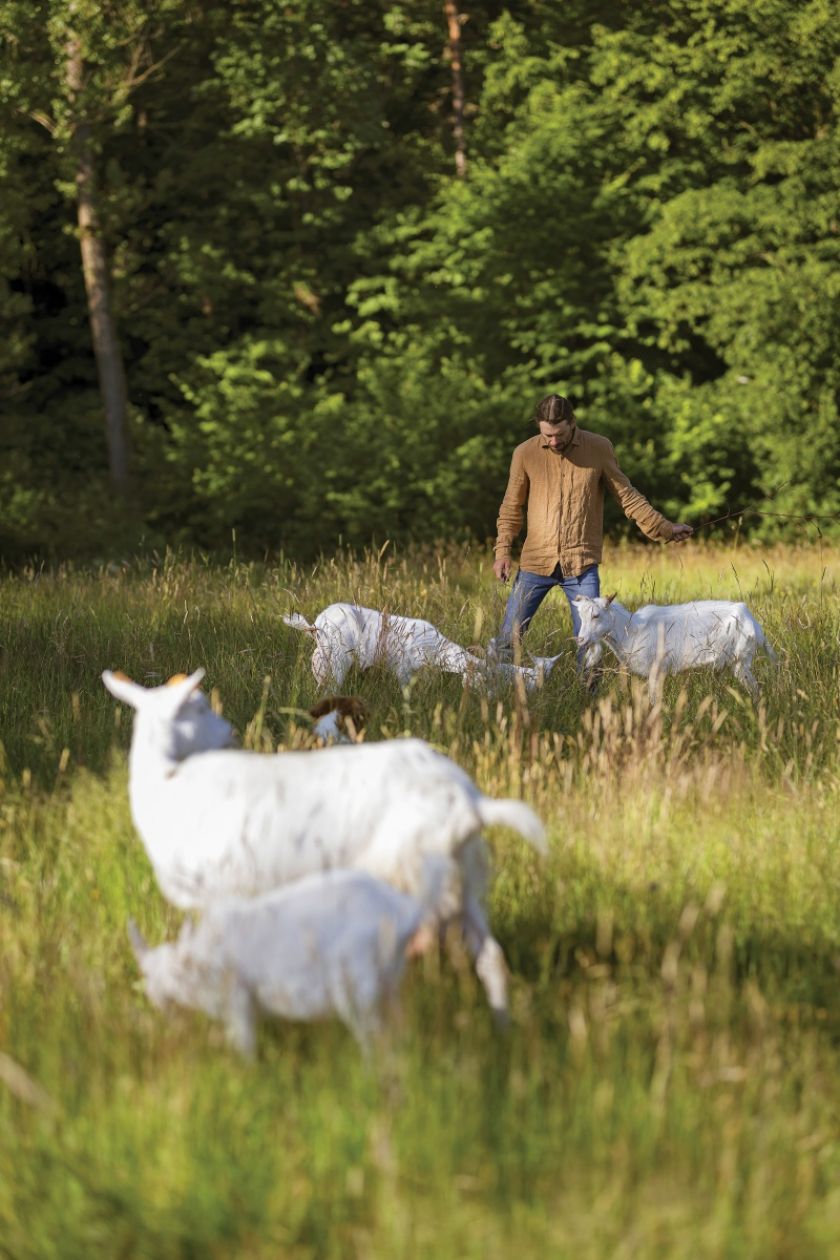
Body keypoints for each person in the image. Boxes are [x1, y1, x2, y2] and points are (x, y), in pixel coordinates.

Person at [489, 393, 693, 670]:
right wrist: (502, 551)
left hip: (581, 566)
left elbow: (627, 497)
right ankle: (497, 693)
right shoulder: (525, 453)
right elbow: (511, 506)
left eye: (559, 434)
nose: (553, 441)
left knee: (589, 645)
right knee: (507, 640)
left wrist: (665, 529)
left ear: (572, 422)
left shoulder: (599, 448)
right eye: (546, 435)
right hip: (535, 563)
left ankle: (590, 704)